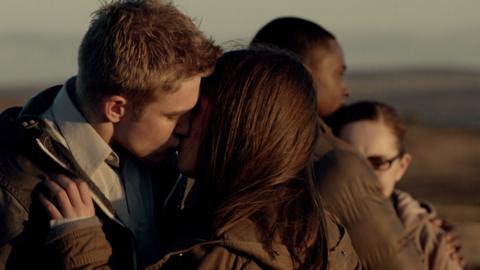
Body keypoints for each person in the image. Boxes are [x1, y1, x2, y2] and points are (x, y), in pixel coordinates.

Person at [39, 48, 361, 269]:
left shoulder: (226, 257)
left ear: (229, 125)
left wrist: (80, 245)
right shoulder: (319, 229)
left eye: (194, 109)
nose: (181, 125)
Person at [0, 0, 221, 269]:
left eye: (191, 111)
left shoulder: (168, 167)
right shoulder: (11, 186)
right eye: (172, 116)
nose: (186, 128)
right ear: (116, 108)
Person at [251, 17, 424, 269]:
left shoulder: (221, 146)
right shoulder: (336, 163)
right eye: (337, 74)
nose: (346, 90)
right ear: (300, 73)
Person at [329, 101, 465, 270]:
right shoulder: (311, 229)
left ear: (402, 166)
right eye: (351, 161)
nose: (363, 174)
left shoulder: (428, 241)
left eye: (377, 163)